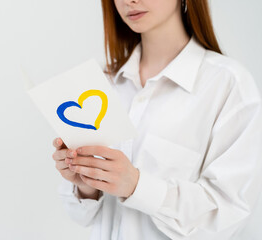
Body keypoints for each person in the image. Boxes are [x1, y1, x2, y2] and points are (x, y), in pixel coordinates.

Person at [52, 0, 262, 239]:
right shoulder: (105, 84)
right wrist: (86, 185)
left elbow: (229, 215)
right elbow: (82, 217)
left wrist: (137, 186)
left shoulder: (227, 85)